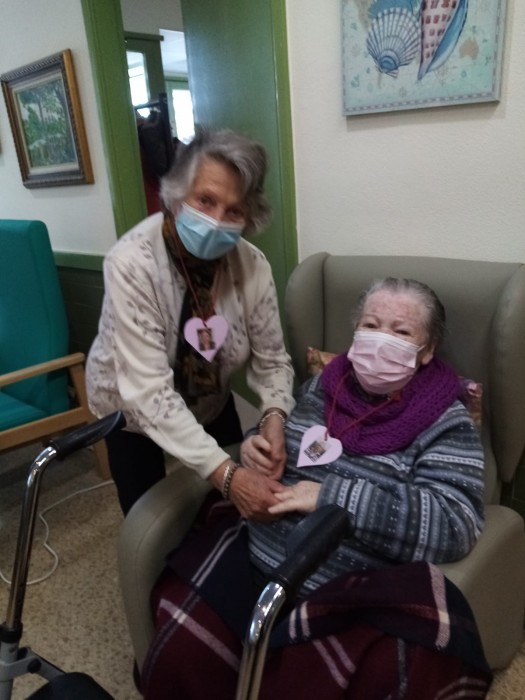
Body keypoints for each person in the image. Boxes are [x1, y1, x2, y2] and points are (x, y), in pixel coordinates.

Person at [139, 277, 490, 699]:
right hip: (255, 556)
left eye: (400, 331)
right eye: (371, 325)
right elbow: (282, 436)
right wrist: (255, 448)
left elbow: (456, 522)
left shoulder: (447, 422)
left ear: (427, 349)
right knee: (183, 649)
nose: (381, 339)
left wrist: (330, 497)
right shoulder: (324, 386)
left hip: (354, 590)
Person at [86, 128, 294, 515]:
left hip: (210, 399)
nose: (216, 221)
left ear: (250, 217)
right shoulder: (132, 263)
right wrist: (228, 476)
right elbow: (148, 393)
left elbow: (272, 360)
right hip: (131, 408)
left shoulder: (252, 266)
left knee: (224, 511)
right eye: (205, 200)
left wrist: (274, 417)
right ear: (177, 196)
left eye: (234, 211)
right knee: (146, 516)